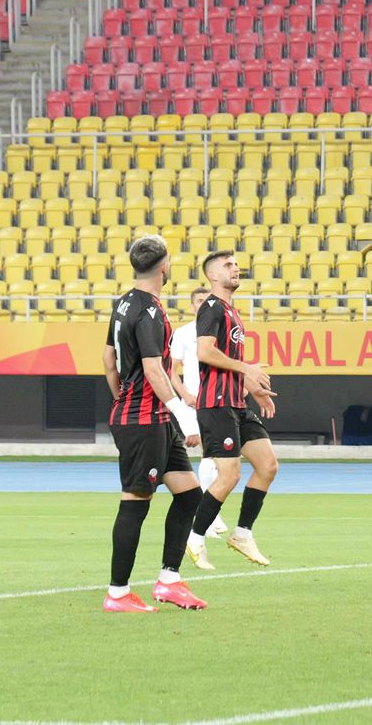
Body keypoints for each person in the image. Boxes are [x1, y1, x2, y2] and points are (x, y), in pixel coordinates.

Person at [103, 234, 207, 612]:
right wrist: (184, 414)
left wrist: (119, 395)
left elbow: (108, 359)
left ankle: (169, 581)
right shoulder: (149, 311)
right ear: (165, 267)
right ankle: (117, 593)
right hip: (145, 419)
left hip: (149, 416)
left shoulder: (122, 303)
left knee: (190, 494)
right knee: (136, 499)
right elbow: (153, 370)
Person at [185, 250, 279, 570]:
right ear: (213, 276)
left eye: (236, 264)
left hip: (237, 403)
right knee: (230, 474)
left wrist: (253, 387)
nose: (235, 269)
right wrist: (248, 369)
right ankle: (195, 537)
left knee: (267, 466)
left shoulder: (232, 312)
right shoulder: (211, 308)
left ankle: (241, 533)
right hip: (216, 405)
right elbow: (205, 352)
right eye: (228, 265)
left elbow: (231, 366)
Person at [169, 286, 228, 538]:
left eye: (207, 301)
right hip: (193, 401)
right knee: (209, 452)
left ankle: (210, 514)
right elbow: (170, 370)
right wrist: (184, 395)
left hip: (216, 399)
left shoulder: (219, 331)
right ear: (192, 306)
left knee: (216, 456)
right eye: (199, 301)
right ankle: (209, 515)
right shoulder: (183, 334)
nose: (204, 304)